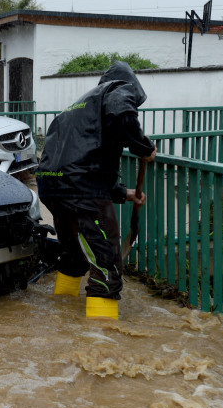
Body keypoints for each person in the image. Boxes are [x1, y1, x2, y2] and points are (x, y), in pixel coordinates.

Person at [35, 61, 157, 320]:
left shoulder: (80, 107)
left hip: (52, 186)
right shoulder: (119, 90)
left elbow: (84, 156)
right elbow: (122, 114)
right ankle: (102, 334)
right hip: (81, 190)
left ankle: (61, 313)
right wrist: (144, 147)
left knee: (74, 255)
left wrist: (123, 193)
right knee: (106, 261)